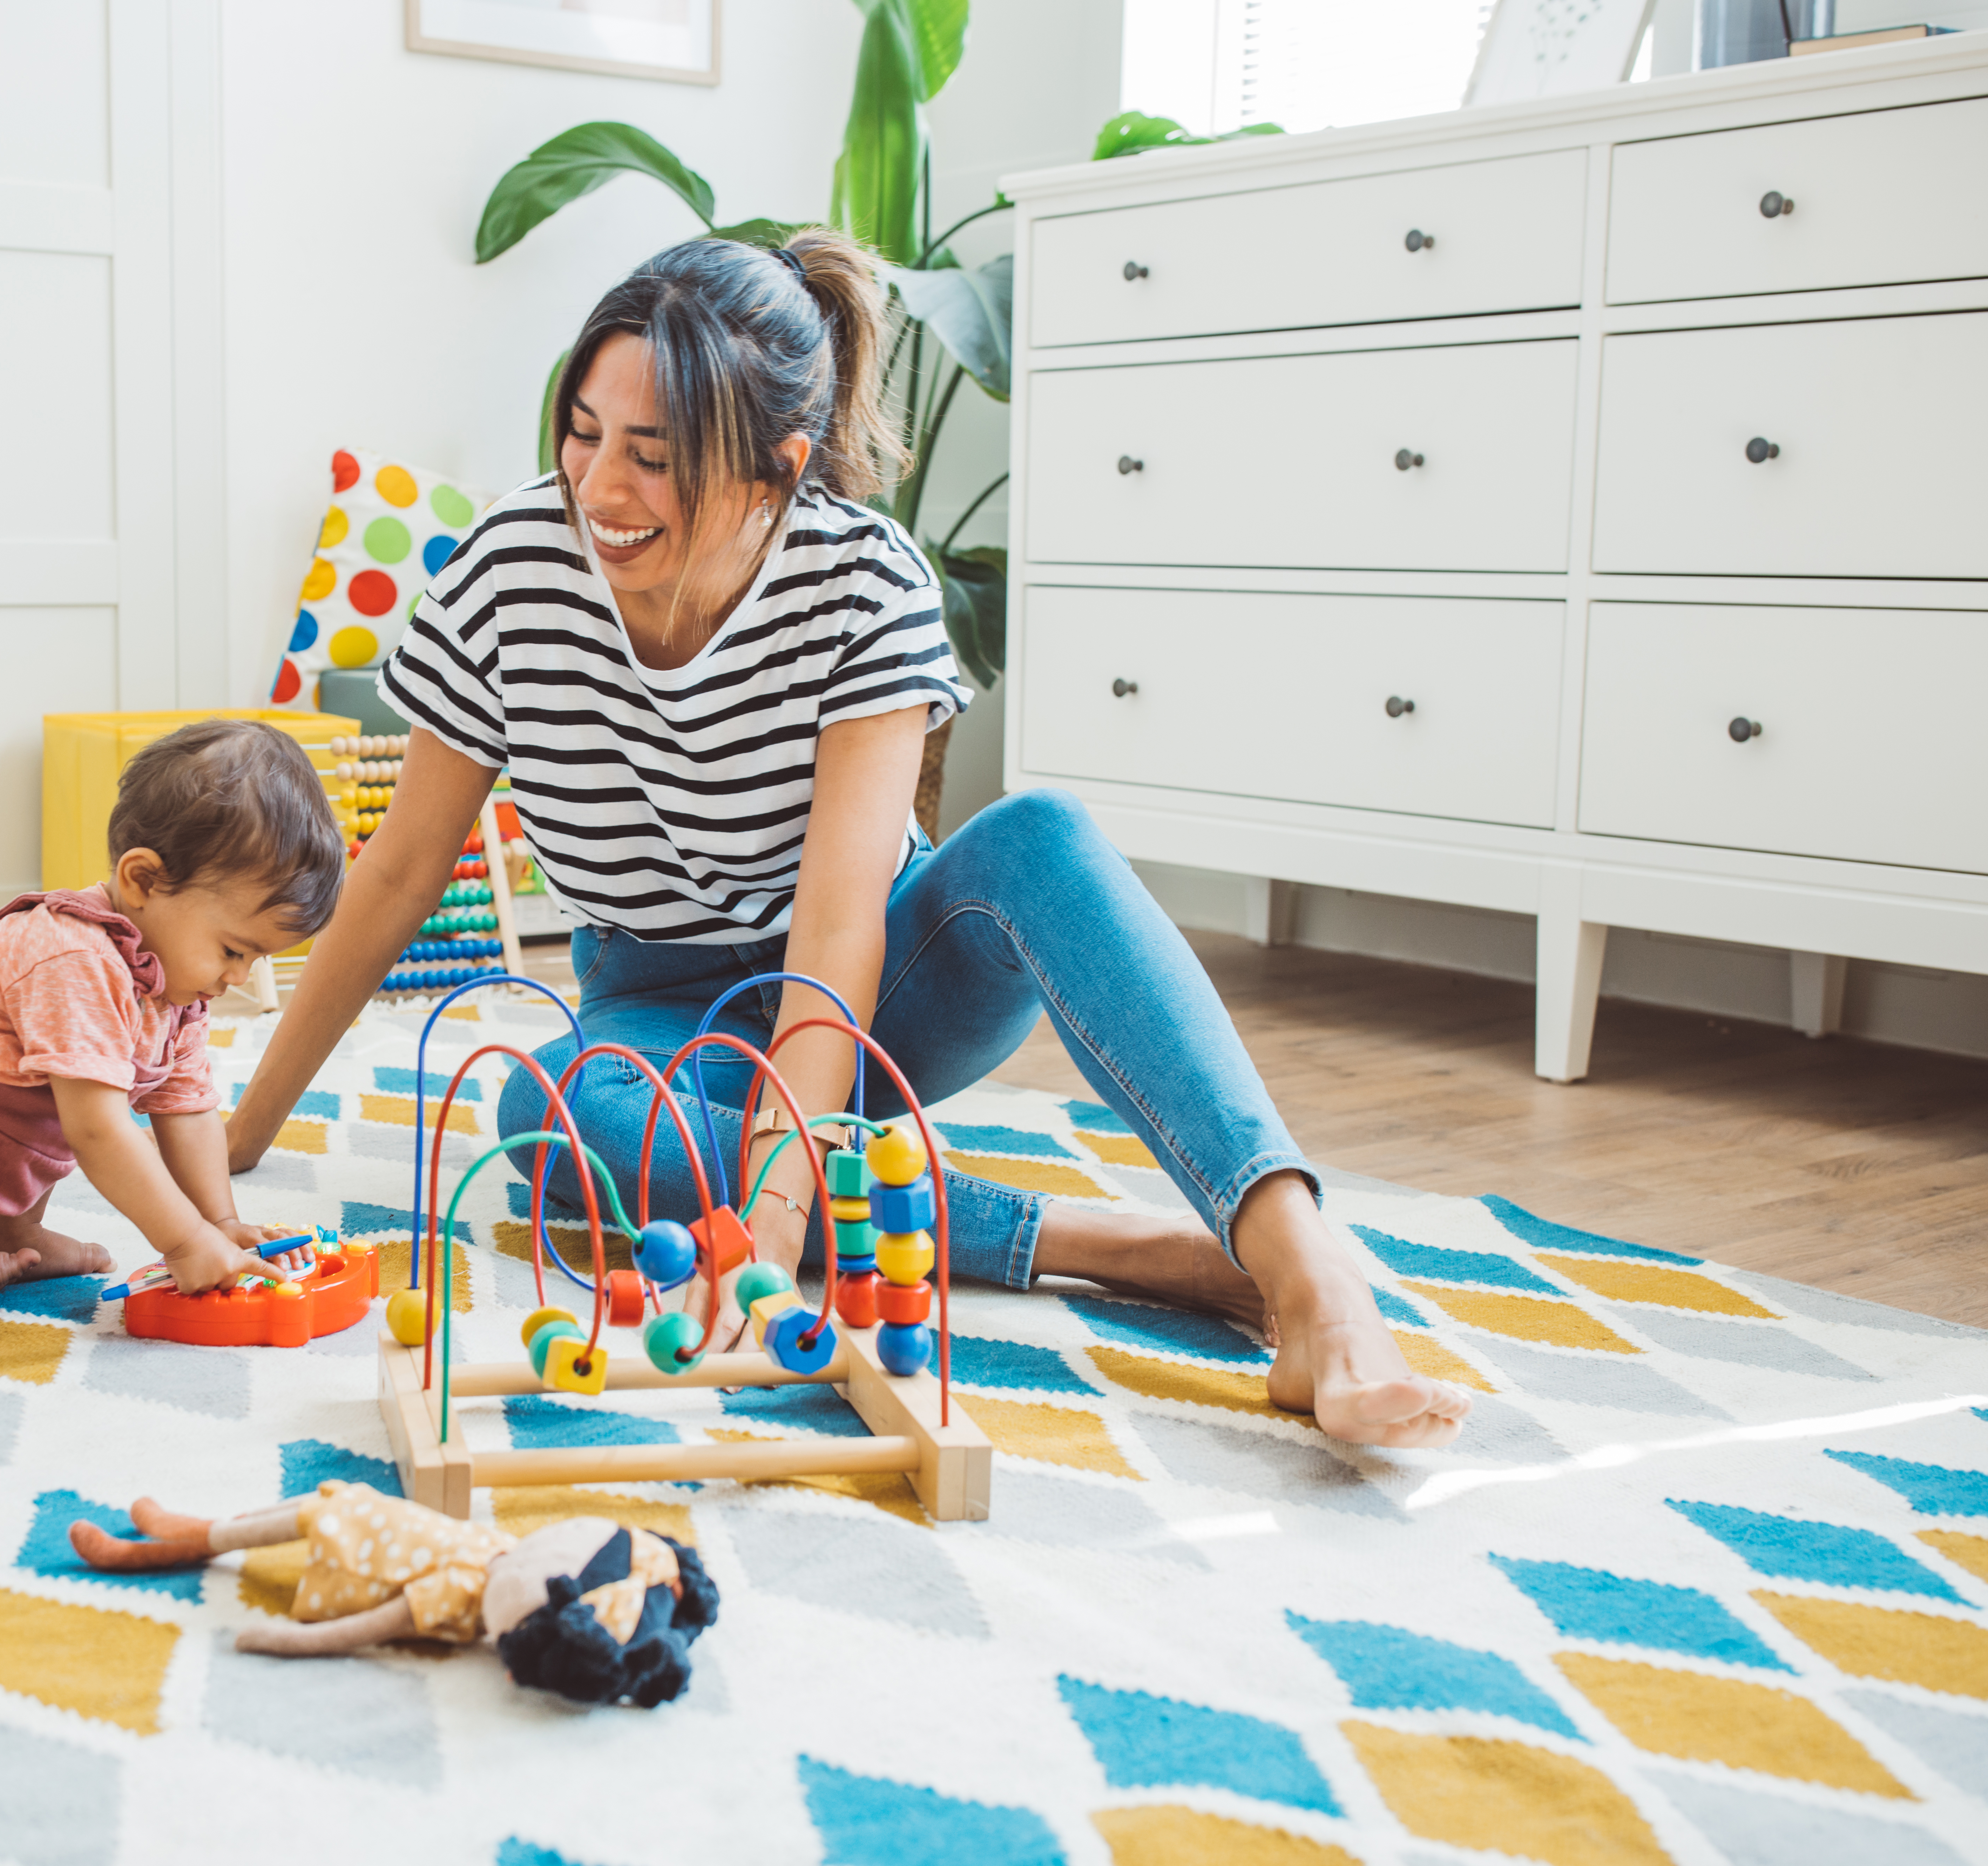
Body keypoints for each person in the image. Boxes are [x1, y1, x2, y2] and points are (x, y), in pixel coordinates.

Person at [227, 231, 1468, 1449]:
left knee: (1043, 835)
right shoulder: (509, 571)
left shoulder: (866, 583)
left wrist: (767, 1236)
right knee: (557, 1113)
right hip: (669, 1013)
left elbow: (837, 922)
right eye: (584, 433)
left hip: (879, 980)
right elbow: (396, 873)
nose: (600, 488)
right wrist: (241, 1136)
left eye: (653, 458)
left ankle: (1311, 1277)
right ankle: (1111, 1247)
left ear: (779, 469)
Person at [0, 719, 340, 1364]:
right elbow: (101, 1131)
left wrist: (218, 1222)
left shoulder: (174, 986)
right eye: (234, 950)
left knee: (54, 1096)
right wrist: (185, 1242)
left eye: (258, 960)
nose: (239, 977)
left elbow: (186, 1108)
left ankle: (14, 1234)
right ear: (143, 881)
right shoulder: (69, 957)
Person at [69, 1482, 717, 1707]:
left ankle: (158, 1550)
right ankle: (198, 1532)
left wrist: (288, 1642)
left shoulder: (470, 1594)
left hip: (352, 1545)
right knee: (287, 1512)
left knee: (292, 1521)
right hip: (360, 1511)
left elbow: (379, 1623)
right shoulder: (501, 1555)